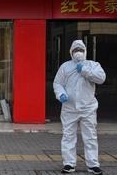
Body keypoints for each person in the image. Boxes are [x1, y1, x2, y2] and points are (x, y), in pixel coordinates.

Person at [53, 40, 106, 174]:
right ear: (71, 52)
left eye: (81, 50)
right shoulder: (65, 67)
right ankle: (69, 164)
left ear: (85, 51)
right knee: (68, 136)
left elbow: (101, 78)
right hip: (69, 108)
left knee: (90, 137)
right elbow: (57, 83)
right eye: (76, 50)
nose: (78, 53)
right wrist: (61, 94)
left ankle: (93, 164)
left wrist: (85, 70)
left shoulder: (92, 65)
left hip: (88, 108)